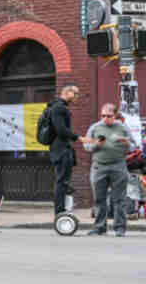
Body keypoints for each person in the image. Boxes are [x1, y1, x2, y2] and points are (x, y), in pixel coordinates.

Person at [82, 103, 132, 237]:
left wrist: (125, 141)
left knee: (119, 199)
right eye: (103, 115)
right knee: (99, 198)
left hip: (118, 165)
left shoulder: (122, 128)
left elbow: (133, 146)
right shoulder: (95, 127)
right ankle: (99, 227)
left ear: (115, 115)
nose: (105, 118)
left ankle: (120, 228)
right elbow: (86, 146)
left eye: (109, 116)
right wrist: (95, 145)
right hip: (99, 166)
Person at [46, 85, 79, 214]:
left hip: (60, 149)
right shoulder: (59, 107)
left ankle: (63, 209)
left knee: (63, 181)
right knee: (62, 181)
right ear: (68, 93)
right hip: (61, 150)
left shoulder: (58, 106)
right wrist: (78, 137)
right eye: (75, 93)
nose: (77, 96)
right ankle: (60, 211)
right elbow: (61, 129)